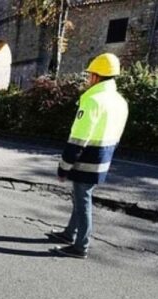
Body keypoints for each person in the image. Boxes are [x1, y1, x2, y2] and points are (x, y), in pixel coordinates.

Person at [49, 53, 129, 259]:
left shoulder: (93, 100)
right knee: (79, 197)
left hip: (86, 160)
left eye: (90, 75)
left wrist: (64, 167)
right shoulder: (120, 101)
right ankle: (69, 234)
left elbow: (78, 138)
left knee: (82, 201)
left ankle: (80, 246)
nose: (88, 79)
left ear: (96, 76)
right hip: (103, 158)